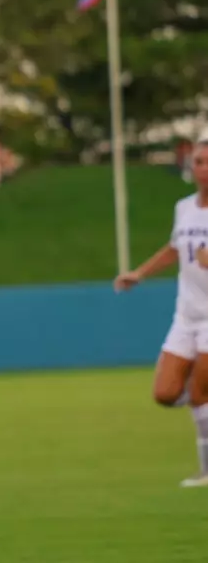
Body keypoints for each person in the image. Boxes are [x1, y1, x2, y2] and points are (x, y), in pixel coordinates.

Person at [115, 137, 208, 486]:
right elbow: (174, 249)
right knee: (166, 394)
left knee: (201, 395)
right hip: (186, 316)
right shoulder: (184, 208)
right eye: (199, 162)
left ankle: (206, 471)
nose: (203, 169)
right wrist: (138, 273)